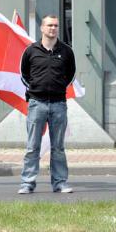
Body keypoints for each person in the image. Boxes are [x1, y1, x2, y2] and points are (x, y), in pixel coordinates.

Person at [17, 15, 76, 195]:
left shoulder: (66, 51)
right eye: (49, 25)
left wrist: (58, 88)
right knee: (32, 146)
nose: (53, 28)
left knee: (58, 147)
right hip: (37, 103)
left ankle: (60, 183)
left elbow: (70, 75)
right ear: (42, 28)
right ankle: (27, 183)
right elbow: (23, 74)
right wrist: (36, 88)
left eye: (56, 25)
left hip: (59, 104)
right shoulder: (30, 51)